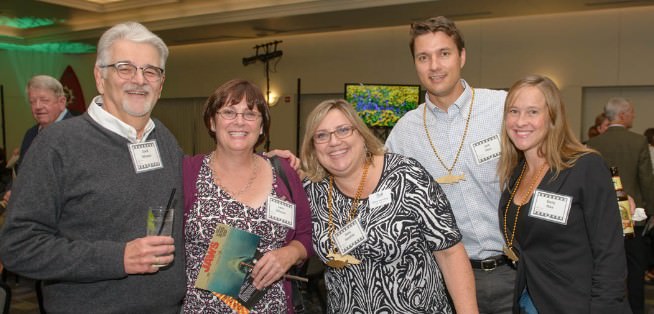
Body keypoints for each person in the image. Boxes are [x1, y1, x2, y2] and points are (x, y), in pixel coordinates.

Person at [0, 22, 185, 313]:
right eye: (125, 68)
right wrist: (118, 257)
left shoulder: (165, 139)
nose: (140, 79)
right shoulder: (56, 145)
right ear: (100, 77)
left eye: (151, 71)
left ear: (160, 84)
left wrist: (269, 163)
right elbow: (19, 247)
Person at [384, 16, 513, 313]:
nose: (435, 66)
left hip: (513, 272)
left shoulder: (502, 108)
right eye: (423, 57)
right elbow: (367, 179)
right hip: (444, 280)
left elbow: (550, 157)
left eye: (444, 54)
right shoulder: (404, 132)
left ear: (462, 56)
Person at [302, 99, 477, 313]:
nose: (334, 141)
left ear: (361, 134)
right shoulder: (312, 191)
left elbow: (450, 253)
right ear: (312, 146)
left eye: (343, 130)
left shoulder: (405, 176)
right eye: (321, 135)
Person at [497, 75, 629, 313]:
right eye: (513, 111)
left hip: (579, 304)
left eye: (533, 112)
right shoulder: (516, 173)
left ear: (553, 117)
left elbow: (610, 255)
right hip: (530, 301)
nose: (520, 121)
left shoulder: (585, 167)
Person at [182, 79, 312, 313]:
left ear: (262, 126)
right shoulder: (187, 172)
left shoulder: (283, 173)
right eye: (229, 112)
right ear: (212, 122)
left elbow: (306, 234)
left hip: (274, 308)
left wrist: (290, 253)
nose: (239, 121)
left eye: (250, 114)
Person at [586, 97, 654, 314]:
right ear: (623, 115)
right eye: (632, 112)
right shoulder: (638, 142)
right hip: (634, 219)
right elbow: (646, 180)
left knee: (602, 266)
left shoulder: (593, 144)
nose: (633, 116)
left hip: (600, 219)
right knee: (635, 270)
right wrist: (651, 212)